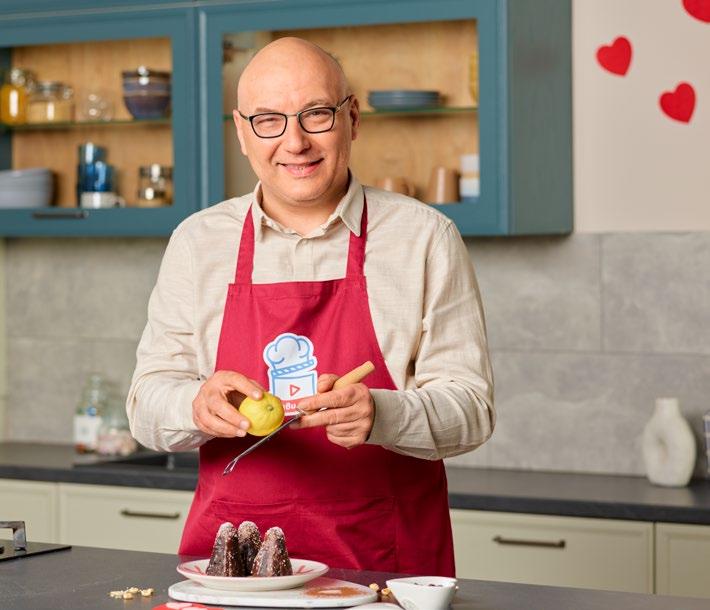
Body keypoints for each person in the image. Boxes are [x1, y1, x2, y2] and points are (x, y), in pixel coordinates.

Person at [126, 36, 494, 577]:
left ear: (352, 119)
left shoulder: (425, 238)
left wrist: (381, 414)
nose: (294, 142)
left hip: (382, 571)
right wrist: (196, 406)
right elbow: (146, 406)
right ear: (242, 133)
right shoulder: (197, 243)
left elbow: (473, 411)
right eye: (268, 120)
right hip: (234, 577)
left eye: (316, 114)